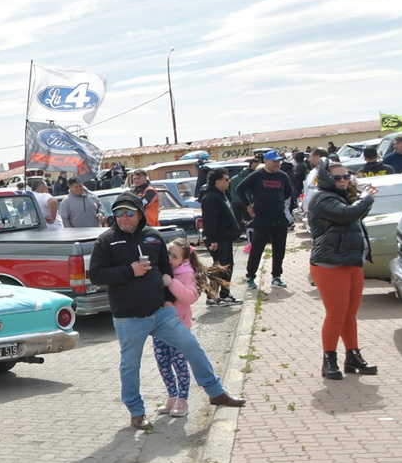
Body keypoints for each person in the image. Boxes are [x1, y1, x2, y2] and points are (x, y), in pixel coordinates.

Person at [88, 191, 245, 430]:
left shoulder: (153, 236)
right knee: (130, 365)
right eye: (118, 213)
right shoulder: (106, 240)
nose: (123, 217)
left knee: (192, 347)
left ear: (139, 214)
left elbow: (166, 271)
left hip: (161, 313)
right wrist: (129, 271)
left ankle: (215, 392)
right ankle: (136, 412)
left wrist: (169, 300)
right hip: (129, 318)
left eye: (128, 213)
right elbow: (97, 275)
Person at [308, 164, 379, 379]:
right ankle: (329, 360)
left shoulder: (340, 196)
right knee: (336, 314)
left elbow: (355, 216)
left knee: (350, 313)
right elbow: (348, 215)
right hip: (330, 264)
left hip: (349, 261)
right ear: (326, 179)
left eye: (346, 176)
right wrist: (366, 197)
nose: (343, 180)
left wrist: (364, 199)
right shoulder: (323, 198)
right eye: (337, 177)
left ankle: (352, 356)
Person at [155, 239, 208, 417]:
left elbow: (190, 297)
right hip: (160, 327)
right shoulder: (162, 269)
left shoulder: (186, 274)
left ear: (184, 260)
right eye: (168, 253)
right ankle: (171, 396)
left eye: (175, 256)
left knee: (179, 364)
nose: (170, 258)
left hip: (179, 328)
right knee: (163, 363)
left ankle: (183, 401)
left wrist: (171, 283)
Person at [235, 149, 295, 290]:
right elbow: (239, 189)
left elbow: (288, 192)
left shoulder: (283, 176)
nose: (277, 164)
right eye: (274, 161)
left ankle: (276, 276)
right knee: (257, 248)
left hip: (279, 217)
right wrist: (249, 206)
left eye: (279, 161)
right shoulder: (257, 176)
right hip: (262, 218)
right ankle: (250, 276)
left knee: (279, 248)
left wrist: (277, 202)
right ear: (266, 162)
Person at [199, 169, 243, 306]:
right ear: (217, 182)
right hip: (218, 239)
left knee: (227, 267)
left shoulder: (221, 195)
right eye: (226, 179)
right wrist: (213, 240)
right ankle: (212, 296)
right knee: (219, 268)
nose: (229, 182)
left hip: (226, 238)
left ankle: (225, 294)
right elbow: (210, 220)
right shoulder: (211, 197)